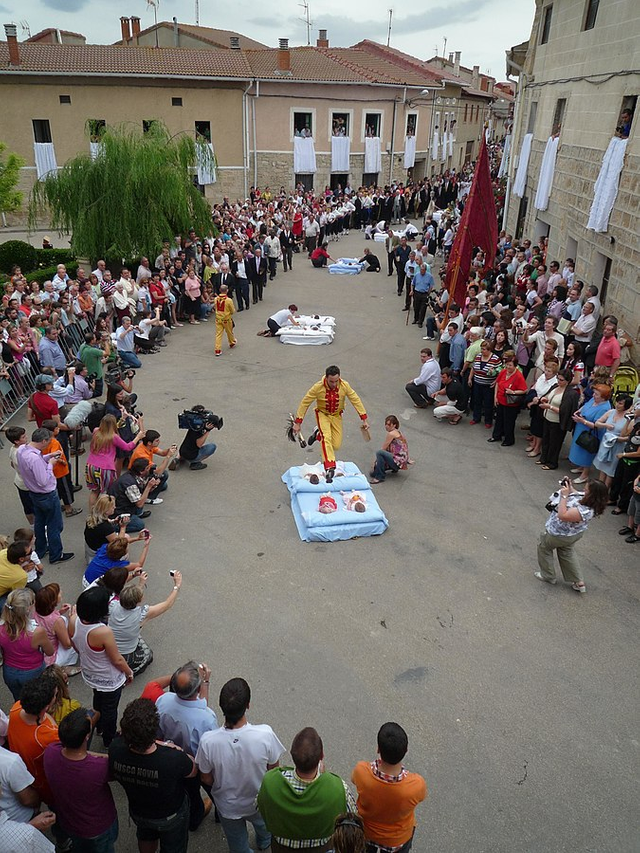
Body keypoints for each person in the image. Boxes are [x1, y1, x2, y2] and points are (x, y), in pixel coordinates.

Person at [195, 677, 285, 853]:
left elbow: (205, 777)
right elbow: (274, 770)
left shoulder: (208, 741)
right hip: (258, 801)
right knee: (264, 829)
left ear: (221, 707)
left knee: (238, 846)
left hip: (227, 806)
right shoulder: (265, 734)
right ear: (248, 705)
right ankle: (264, 842)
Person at [109, 698, 195, 853]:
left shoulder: (115, 749)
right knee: (174, 847)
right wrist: (171, 747)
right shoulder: (172, 758)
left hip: (139, 811)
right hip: (170, 816)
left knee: (145, 836)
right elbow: (192, 769)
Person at [257, 726, 356, 853]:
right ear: (322, 756)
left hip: (282, 847)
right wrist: (324, 778)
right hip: (320, 848)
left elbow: (259, 806)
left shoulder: (270, 782)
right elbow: (352, 815)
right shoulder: (340, 788)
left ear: (292, 755)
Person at [43, 708, 119, 852]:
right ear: (86, 737)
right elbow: (115, 771)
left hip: (70, 822)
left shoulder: (50, 752)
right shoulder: (99, 767)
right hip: (98, 827)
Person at [156, 661, 218, 830]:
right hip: (195, 764)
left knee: (188, 791)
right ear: (198, 690)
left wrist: (203, 683)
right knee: (206, 789)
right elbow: (211, 744)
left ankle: (196, 813)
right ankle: (197, 817)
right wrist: (206, 682)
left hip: (170, 758)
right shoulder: (207, 718)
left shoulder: (163, 700)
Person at [68, 586, 134, 747]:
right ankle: (108, 738)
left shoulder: (73, 620)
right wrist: (129, 672)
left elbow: (74, 644)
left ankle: (97, 725)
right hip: (108, 677)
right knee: (111, 708)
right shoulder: (102, 632)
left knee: (98, 699)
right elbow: (117, 659)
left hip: (90, 672)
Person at [351, 722, 427, 853]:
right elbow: (422, 797)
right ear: (406, 751)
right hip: (397, 840)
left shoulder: (361, 771)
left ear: (378, 749)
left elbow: (353, 780)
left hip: (366, 833)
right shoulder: (416, 784)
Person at [293, 365, 369, 483]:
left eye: (336, 381)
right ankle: (329, 466)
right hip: (322, 414)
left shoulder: (344, 385)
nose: (334, 384)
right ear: (326, 378)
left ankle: (318, 434)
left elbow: (355, 399)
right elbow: (305, 402)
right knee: (327, 438)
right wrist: (298, 422)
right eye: (331, 381)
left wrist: (364, 418)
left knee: (336, 445)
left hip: (337, 415)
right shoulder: (317, 387)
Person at [535, 478, 609, 593]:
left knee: (544, 548)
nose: (584, 490)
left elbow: (563, 515)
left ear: (592, 494)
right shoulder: (592, 501)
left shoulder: (584, 511)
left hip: (559, 534)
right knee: (566, 552)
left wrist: (564, 496)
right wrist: (569, 487)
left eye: (587, 489)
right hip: (573, 535)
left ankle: (548, 575)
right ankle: (578, 582)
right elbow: (576, 493)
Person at [108, 570, 182, 676]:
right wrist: (177, 585)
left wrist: (141, 584)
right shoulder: (141, 614)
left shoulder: (112, 605)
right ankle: (130, 672)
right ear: (139, 601)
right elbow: (167, 604)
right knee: (147, 654)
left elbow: (132, 598)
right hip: (125, 654)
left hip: (109, 648)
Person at [16, 428, 73, 564]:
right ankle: (56, 555)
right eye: (48, 442)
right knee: (55, 525)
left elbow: (37, 463)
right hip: (46, 494)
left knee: (40, 523)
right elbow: (43, 480)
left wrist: (49, 456)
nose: (49, 444)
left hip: (34, 494)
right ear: (43, 441)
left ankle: (41, 549)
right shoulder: (35, 459)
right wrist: (50, 464)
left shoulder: (22, 450)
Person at [6, 674, 59, 806]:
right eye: (55, 695)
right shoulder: (48, 736)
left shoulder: (16, 708)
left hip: (25, 771)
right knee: (57, 806)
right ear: (46, 707)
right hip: (43, 782)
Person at [0, 589, 54, 701]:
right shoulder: (37, 632)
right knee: (36, 701)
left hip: (9, 671)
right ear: (28, 608)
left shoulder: (1, 627)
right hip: (32, 671)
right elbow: (50, 652)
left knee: (19, 701)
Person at [85, 414, 146, 508]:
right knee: (110, 491)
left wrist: (122, 419)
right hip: (105, 468)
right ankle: (108, 511)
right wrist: (138, 437)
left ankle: (92, 514)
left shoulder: (96, 431)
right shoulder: (114, 437)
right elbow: (127, 447)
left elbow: (107, 429)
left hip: (91, 466)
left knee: (95, 491)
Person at [568, 384, 612, 484]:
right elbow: (585, 405)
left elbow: (597, 425)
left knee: (586, 452)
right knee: (579, 448)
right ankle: (581, 467)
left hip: (591, 432)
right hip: (582, 427)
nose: (593, 395)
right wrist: (578, 411)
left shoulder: (604, 408)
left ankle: (585, 474)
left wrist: (582, 421)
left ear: (603, 397)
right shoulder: (594, 400)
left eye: (596, 394)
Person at [538, 369, 580, 470]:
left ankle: (552, 462)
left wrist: (550, 407)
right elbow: (549, 396)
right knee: (546, 439)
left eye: (561, 380)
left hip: (557, 421)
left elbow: (565, 411)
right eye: (558, 378)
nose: (558, 381)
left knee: (555, 443)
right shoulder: (556, 387)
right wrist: (545, 399)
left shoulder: (571, 393)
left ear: (567, 381)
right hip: (547, 417)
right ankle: (544, 458)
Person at [34, 583, 78, 671]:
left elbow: (46, 619)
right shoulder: (57, 621)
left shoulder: (36, 609)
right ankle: (60, 667)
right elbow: (67, 645)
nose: (61, 592)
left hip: (40, 650)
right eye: (58, 593)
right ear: (53, 600)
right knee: (76, 641)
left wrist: (59, 612)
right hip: (51, 657)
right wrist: (73, 620)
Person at [487, 352, 528, 446]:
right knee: (499, 420)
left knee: (508, 422)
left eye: (510, 365)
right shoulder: (504, 371)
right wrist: (495, 397)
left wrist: (513, 392)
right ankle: (496, 435)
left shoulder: (518, 376)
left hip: (511, 404)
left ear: (515, 365)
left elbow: (524, 390)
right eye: (507, 364)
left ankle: (509, 440)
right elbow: (497, 383)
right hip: (501, 400)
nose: (508, 367)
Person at [108, 459, 162, 529]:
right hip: (117, 511)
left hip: (125, 503)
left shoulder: (132, 475)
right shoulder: (130, 484)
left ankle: (136, 513)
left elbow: (140, 492)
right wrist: (148, 487)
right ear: (141, 471)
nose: (149, 469)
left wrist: (152, 487)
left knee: (141, 497)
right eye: (147, 468)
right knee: (139, 524)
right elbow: (139, 504)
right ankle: (114, 527)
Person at [83, 534, 150, 588]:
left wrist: (137, 538)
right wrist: (146, 546)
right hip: (95, 588)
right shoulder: (117, 566)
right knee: (116, 581)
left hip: (85, 579)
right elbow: (139, 564)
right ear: (123, 553)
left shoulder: (104, 548)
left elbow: (118, 542)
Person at [83, 494, 131, 564]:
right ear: (105, 510)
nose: (115, 507)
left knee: (125, 536)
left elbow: (105, 520)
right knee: (125, 540)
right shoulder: (106, 527)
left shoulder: (93, 516)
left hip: (91, 548)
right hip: (99, 552)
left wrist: (113, 521)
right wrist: (123, 527)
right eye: (112, 507)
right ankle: (118, 561)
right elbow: (118, 542)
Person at [6, 426, 35, 526]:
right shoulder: (22, 454)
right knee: (32, 506)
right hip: (27, 485)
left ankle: (32, 525)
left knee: (27, 506)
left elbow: (12, 463)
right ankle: (35, 525)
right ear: (16, 441)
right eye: (23, 437)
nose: (26, 437)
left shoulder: (12, 449)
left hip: (19, 481)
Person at [469, 340, 502, 429]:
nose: (482, 351)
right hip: (477, 383)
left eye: (484, 349)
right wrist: (470, 378)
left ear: (489, 350)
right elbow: (473, 367)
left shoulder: (495, 359)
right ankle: (476, 418)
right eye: (481, 349)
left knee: (488, 404)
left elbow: (500, 372)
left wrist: (495, 381)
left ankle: (488, 421)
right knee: (477, 401)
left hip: (488, 385)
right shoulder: (478, 356)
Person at [369, 416, 410, 484]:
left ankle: (380, 477)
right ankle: (390, 469)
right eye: (386, 424)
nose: (386, 426)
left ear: (394, 425)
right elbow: (405, 445)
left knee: (379, 453)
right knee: (374, 472)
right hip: (401, 460)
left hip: (397, 461)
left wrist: (374, 462)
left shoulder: (391, 434)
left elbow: (383, 448)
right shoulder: (398, 432)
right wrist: (407, 458)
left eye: (389, 425)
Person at [214, 284, 237, 357]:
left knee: (218, 334)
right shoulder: (228, 300)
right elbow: (232, 311)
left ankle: (217, 349)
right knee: (229, 331)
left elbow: (215, 307)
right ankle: (231, 342)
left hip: (218, 319)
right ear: (227, 291)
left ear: (220, 290)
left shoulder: (216, 299)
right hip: (226, 319)